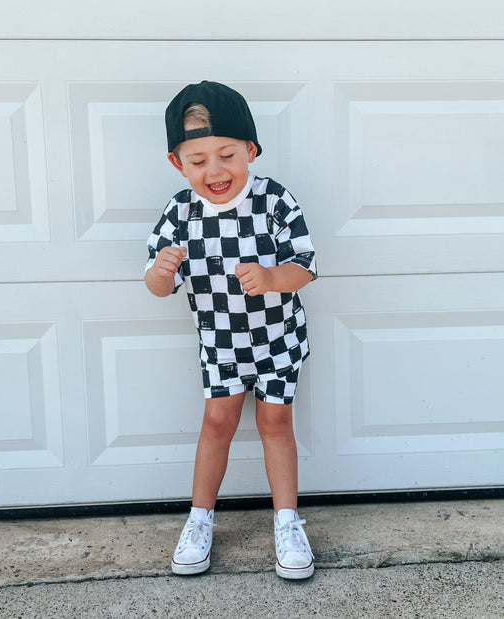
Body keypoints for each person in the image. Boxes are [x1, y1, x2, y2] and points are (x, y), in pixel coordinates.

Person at [144, 81, 317, 580]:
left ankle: (287, 522)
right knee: (217, 423)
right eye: (199, 161)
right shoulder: (181, 211)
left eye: (227, 155)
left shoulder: (273, 199)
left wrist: (271, 279)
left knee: (275, 424)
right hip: (220, 344)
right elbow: (158, 286)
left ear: (250, 151)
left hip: (277, 340)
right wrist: (162, 271)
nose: (216, 171)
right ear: (178, 163)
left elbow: (305, 266)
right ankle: (199, 519)